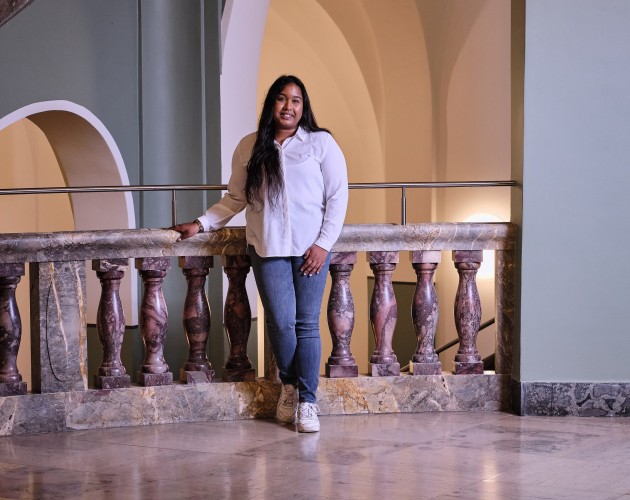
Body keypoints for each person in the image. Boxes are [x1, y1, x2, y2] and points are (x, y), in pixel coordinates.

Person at [172, 75, 348, 433]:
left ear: (304, 107)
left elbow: (337, 197)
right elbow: (235, 198)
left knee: (306, 325)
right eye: (282, 99)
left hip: (311, 250)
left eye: (296, 100)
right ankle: (289, 384)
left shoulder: (321, 144)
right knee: (281, 324)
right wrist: (201, 223)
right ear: (271, 104)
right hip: (267, 249)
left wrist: (323, 244)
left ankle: (308, 402)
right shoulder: (250, 146)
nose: (289, 107)